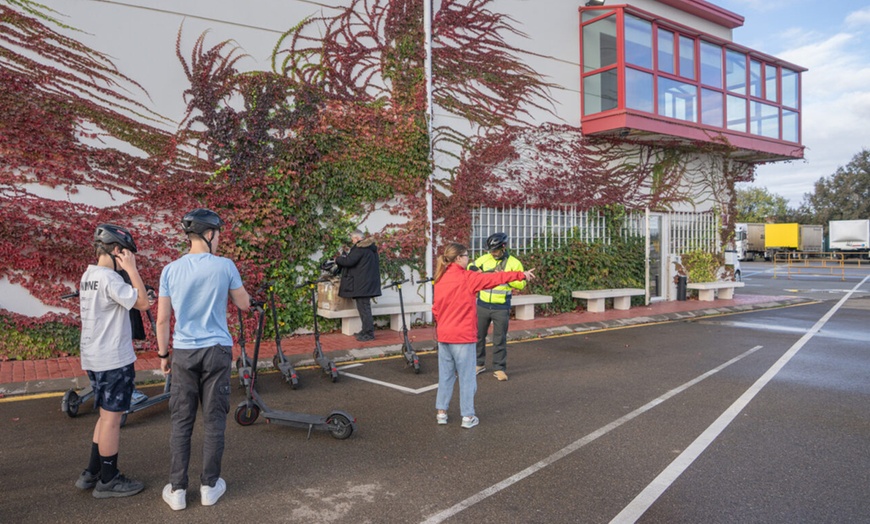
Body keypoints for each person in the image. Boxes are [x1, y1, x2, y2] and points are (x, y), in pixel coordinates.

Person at [157, 209, 251, 511]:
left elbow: (162, 320)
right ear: (209, 234)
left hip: (184, 352)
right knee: (213, 420)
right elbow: (244, 303)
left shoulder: (170, 270)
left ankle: (178, 490)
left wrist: (163, 355)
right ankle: (210, 485)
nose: (220, 239)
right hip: (217, 351)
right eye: (218, 234)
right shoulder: (225, 266)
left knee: (181, 421)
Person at [75, 224, 150, 498]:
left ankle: (92, 472)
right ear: (117, 251)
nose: (129, 257)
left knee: (105, 416)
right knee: (112, 420)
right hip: (113, 359)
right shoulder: (111, 278)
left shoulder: (89, 275)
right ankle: (109, 479)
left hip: (95, 357)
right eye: (127, 252)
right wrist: (132, 270)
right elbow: (143, 303)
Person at [432, 243, 534, 429]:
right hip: (463, 336)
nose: (468, 258)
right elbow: (495, 278)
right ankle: (468, 416)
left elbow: (436, 309)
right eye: (466, 255)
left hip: (444, 335)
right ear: (458, 258)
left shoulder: (440, 278)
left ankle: (441, 413)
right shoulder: (468, 278)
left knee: (446, 376)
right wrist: (521, 274)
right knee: (467, 377)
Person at [470, 232, 526, 381]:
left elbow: (521, 283)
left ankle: (499, 368)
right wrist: (477, 271)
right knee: (478, 336)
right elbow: (470, 266)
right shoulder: (485, 259)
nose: (492, 253)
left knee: (499, 338)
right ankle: (478, 364)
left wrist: (506, 278)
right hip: (482, 304)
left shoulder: (514, 263)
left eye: (495, 250)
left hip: (501, 306)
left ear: (503, 247)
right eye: (490, 250)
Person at [335, 229, 381, 342]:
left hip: (362, 284)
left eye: (352, 238)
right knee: (364, 308)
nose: (352, 240)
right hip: (368, 283)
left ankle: (369, 333)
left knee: (364, 309)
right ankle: (365, 331)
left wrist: (338, 259)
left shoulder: (360, 248)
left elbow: (349, 262)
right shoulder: (370, 248)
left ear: (357, 238)